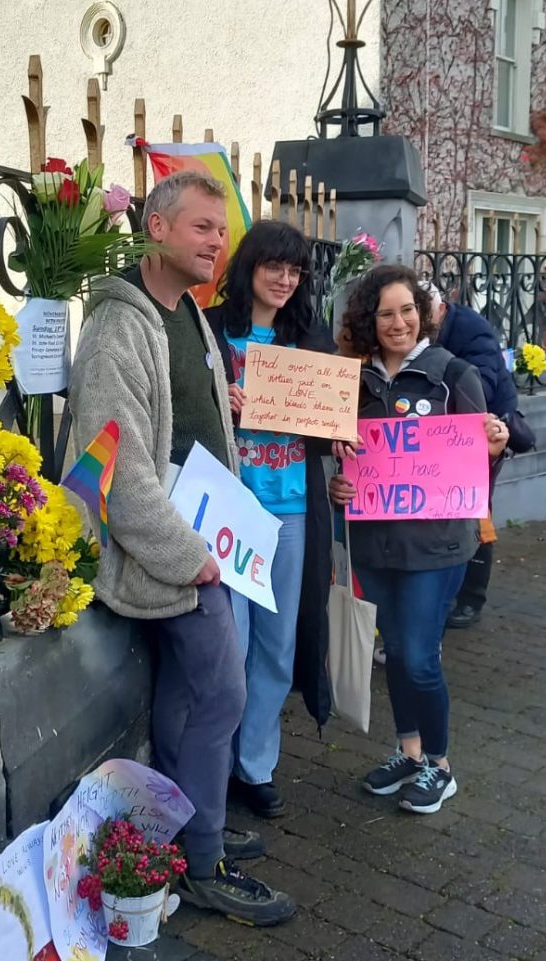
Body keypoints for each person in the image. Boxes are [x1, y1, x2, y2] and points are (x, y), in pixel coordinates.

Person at [69, 171, 295, 924]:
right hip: (171, 554)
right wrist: (185, 555)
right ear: (157, 229)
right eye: (202, 227)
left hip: (205, 542)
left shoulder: (189, 318)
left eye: (221, 230)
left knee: (185, 698)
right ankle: (200, 865)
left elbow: (203, 432)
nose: (216, 242)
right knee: (218, 692)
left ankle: (182, 832)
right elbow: (112, 461)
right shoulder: (118, 326)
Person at [329, 265, 509, 814]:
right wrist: (340, 484)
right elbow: (341, 456)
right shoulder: (354, 383)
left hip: (437, 547)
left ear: (423, 314)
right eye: (386, 313)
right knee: (397, 653)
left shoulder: (451, 373)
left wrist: (495, 443)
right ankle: (407, 752)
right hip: (376, 544)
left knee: (417, 656)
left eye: (407, 310)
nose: (398, 322)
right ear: (370, 320)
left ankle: (440, 765)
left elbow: (476, 454)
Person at [203, 220, 335, 819]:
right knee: (230, 644)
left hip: (292, 511)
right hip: (231, 510)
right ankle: (216, 761)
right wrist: (219, 403)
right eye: (273, 266)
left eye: (295, 270)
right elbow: (179, 411)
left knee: (278, 646)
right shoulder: (209, 331)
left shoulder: (310, 339)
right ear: (249, 267)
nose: (285, 279)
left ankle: (255, 766)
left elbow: (333, 423)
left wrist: (344, 446)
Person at [424, 285, 520, 629]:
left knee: (477, 511)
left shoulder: (471, 328)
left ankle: (471, 599)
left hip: (480, 431)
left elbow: (485, 386)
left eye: (422, 315)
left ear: (440, 310)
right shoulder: (433, 329)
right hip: (438, 437)